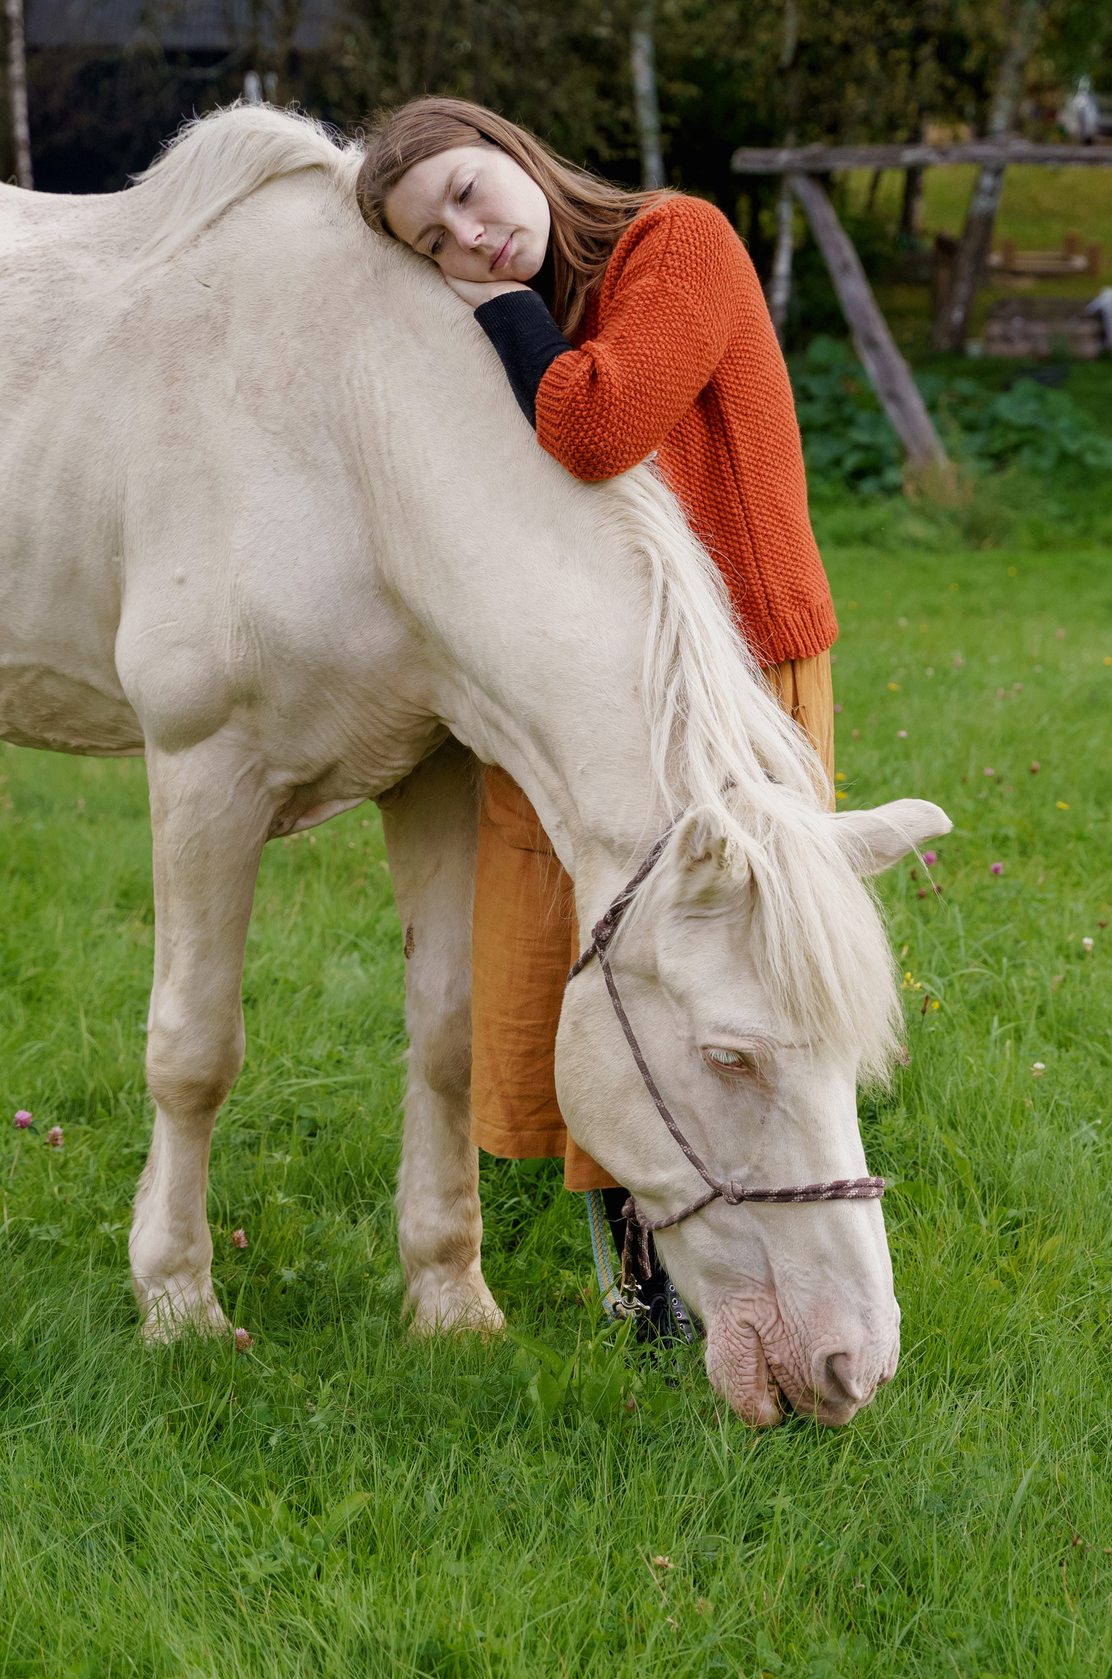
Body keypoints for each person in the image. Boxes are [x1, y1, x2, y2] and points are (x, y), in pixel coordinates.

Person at [357, 96, 838, 1336]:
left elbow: (597, 424)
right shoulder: (535, 318)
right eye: (431, 242)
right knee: (591, 978)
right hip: (570, 694)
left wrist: (501, 318)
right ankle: (649, 1279)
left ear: (515, 151)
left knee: (730, 980)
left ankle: (796, 1233)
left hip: (725, 680)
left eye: (469, 192)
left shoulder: (677, 243)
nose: (471, 239)